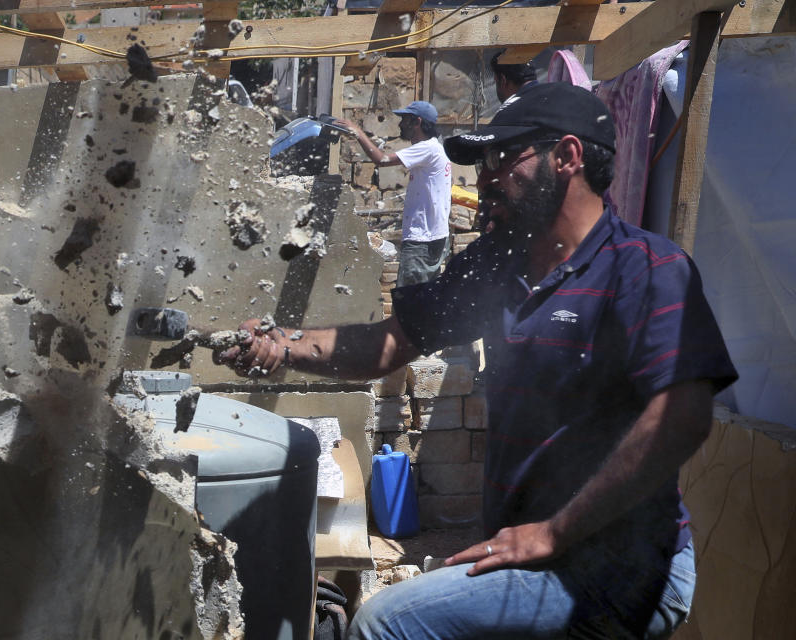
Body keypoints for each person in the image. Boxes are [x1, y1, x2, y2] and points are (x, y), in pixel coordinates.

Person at [217, 82, 738, 639]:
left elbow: (683, 416)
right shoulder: (499, 265)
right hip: (536, 554)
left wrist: (555, 532)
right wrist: (283, 344)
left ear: (567, 157)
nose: (484, 176)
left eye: (502, 157)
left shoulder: (645, 269)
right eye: (481, 160)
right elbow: (390, 343)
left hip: (625, 569)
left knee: (385, 623)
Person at [336, 101, 452, 286]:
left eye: (405, 120)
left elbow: (381, 159)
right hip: (434, 236)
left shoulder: (428, 148)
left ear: (418, 122)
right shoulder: (435, 147)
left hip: (422, 239)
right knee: (422, 301)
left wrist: (356, 131)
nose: (399, 125)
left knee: (408, 304)